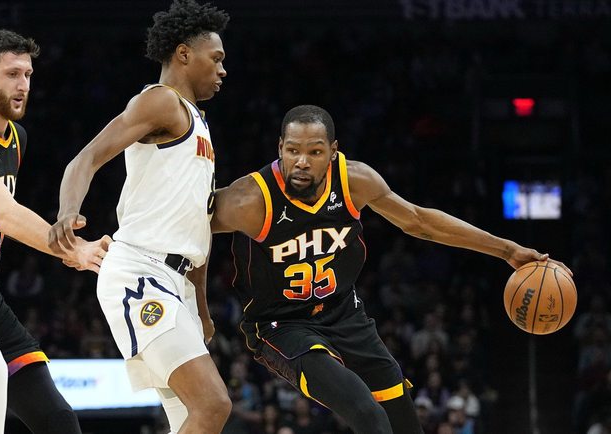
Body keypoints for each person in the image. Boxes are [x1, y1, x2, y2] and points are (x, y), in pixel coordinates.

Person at [211, 105, 572, 434]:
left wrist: (507, 250)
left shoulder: (354, 181)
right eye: (293, 151)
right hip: (281, 324)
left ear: (333, 151)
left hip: (343, 313)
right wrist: (197, 301)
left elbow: (420, 222)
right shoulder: (250, 199)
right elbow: (188, 225)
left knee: (403, 421)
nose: (302, 162)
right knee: (366, 413)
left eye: (315, 152)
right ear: (280, 148)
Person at [47, 1, 232, 432]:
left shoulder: (200, 124)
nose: (223, 70)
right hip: (140, 272)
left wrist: (202, 308)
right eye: (216, 58)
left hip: (177, 282)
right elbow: (85, 158)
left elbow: (196, 230)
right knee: (213, 405)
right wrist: (67, 212)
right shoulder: (161, 101)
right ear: (184, 53)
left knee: (191, 419)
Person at [0, 29, 109, 434]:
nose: (23, 85)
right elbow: (5, 213)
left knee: (58, 420)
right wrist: (71, 248)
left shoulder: (17, 138)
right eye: (12, 74)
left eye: (28, 75)